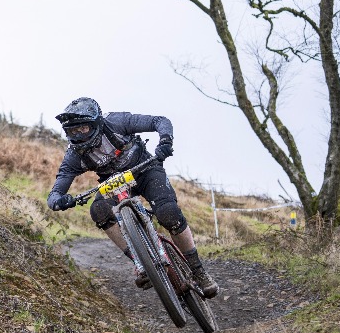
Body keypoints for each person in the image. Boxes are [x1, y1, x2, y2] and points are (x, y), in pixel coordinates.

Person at [47, 97, 218, 298]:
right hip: (113, 183)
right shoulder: (74, 155)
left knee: (168, 214)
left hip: (146, 171)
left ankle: (198, 271)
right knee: (99, 211)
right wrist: (59, 200)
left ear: (96, 124)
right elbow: (55, 192)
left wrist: (165, 141)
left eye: (83, 129)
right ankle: (139, 261)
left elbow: (159, 121)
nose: (78, 135)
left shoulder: (117, 122)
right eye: (72, 131)